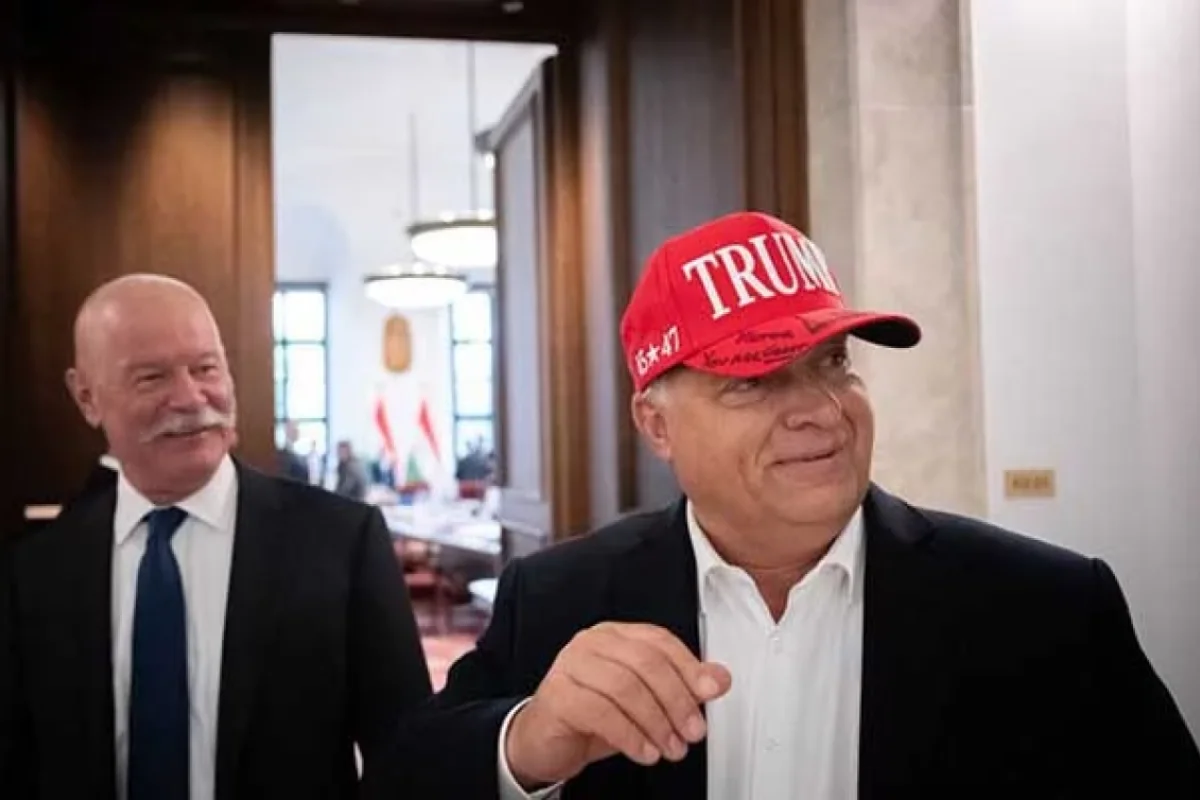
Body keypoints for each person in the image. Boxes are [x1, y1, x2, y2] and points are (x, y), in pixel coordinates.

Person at [364, 211, 1200, 799]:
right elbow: (403, 778)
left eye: (832, 362)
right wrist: (530, 744)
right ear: (657, 424)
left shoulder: (1047, 608)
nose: (820, 409)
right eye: (755, 380)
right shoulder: (558, 598)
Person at [0, 274, 431, 800]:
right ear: (87, 397)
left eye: (205, 368)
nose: (189, 397)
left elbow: (410, 756)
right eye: (152, 378)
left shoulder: (341, 544)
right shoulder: (37, 572)